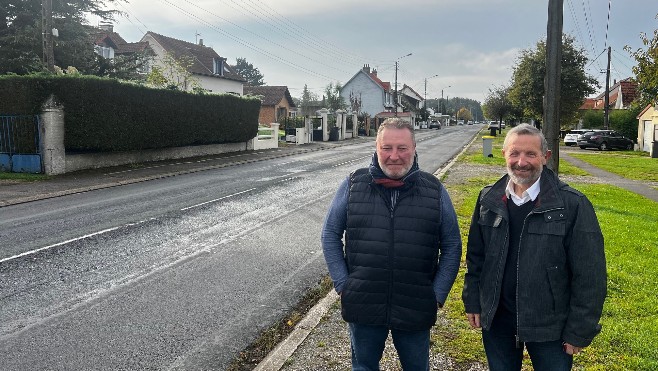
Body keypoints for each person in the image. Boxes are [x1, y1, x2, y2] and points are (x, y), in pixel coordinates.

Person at [462, 123, 607, 371]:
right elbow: (476, 257)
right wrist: (473, 300)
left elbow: (590, 274)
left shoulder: (572, 205)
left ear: (545, 157)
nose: (522, 162)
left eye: (531, 154)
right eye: (515, 153)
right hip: (498, 321)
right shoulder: (488, 199)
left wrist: (579, 329)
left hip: (550, 326)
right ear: (504, 154)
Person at [321, 117, 462, 370]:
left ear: (414, 149)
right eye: (387, 148)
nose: (394, 156)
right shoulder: (353, 184)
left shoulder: (434, 189)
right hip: (364, 302)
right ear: (376, 148)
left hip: (415, 304)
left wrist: (438, 294)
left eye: (402, 148)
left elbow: (452, 244)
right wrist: (343, 285)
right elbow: (330, 234)